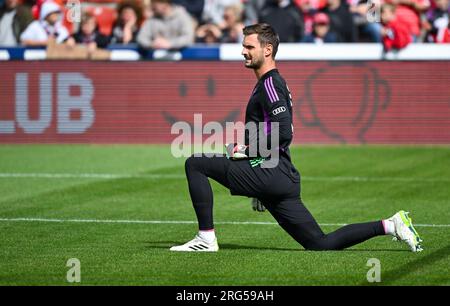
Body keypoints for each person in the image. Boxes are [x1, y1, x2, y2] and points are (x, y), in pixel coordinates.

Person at [170, 23, 423, 253]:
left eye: (249, 46)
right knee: (319, 243)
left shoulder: (270, 84)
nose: (243, 52)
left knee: (195, 163)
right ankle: (391, 225)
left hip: (270, 173)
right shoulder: (268, 83)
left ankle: (205, 238)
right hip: (279, 176)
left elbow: (284, 131)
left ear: (267, 49)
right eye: (243, 46)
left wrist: (247, 151)